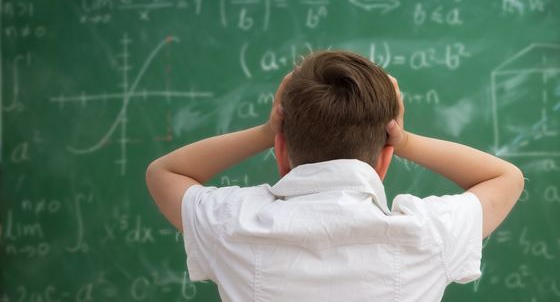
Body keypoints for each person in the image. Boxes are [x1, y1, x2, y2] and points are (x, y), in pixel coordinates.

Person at [146, 50, 524, 302]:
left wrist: (266, 131)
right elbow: (505, 178)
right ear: (384, 159)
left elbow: (165, 173)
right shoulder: (426, 235)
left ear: (281, 151)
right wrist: (404, 139)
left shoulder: (234, 224)